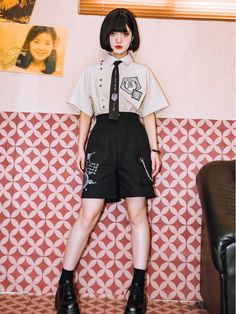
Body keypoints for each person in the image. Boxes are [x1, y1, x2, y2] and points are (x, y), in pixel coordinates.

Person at [55, 8, 169, 314]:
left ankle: (137, 290)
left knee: (137, 214)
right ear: (107, 36)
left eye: (125, 33)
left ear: (133, 37)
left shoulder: (143, 73)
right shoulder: (92, 72)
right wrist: (79, 147)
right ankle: (64, 284)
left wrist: (155, 150)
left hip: (134, 142)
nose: (119, 39)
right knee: (87, 213)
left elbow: (149, 113)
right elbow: (84, 113)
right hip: (101, 140)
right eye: (114, 33)